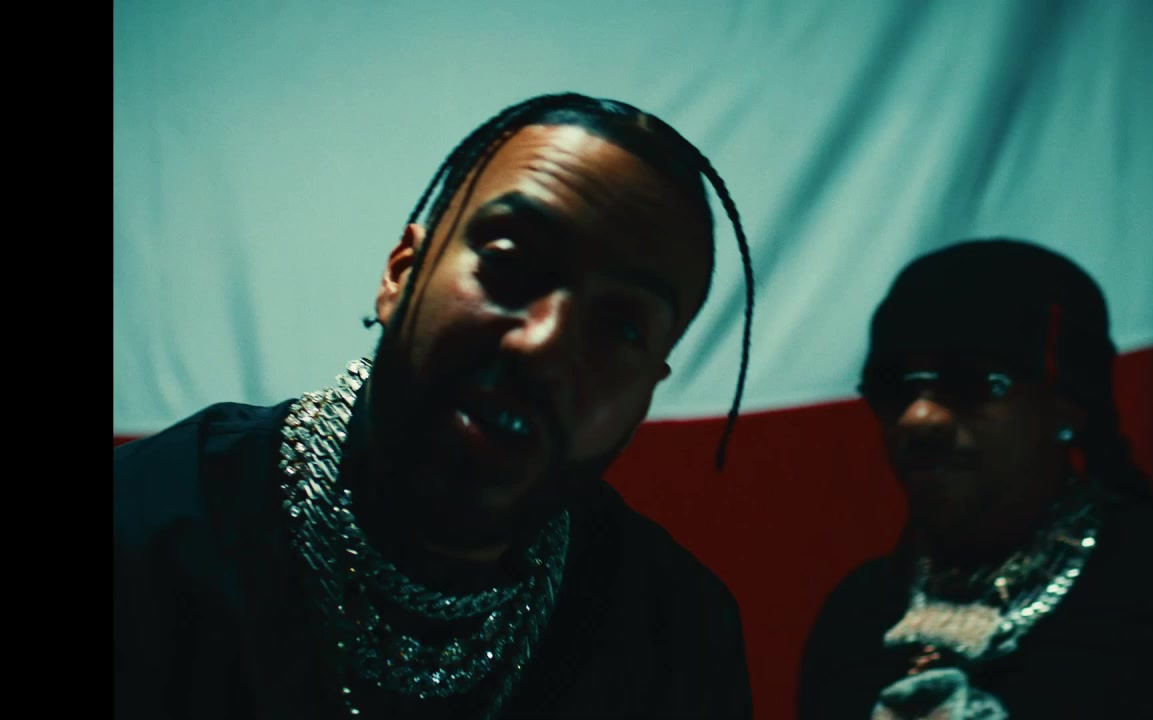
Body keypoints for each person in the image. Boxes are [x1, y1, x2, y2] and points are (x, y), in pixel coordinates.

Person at [114, 93, 757, 720]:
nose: (543, 346)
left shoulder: (679, 638)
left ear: (647, 391)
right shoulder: (145, 535)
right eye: (509, 263)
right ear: (401, 272)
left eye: (623, 329)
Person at [798, 239, 1153, 720]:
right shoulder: (857, 615)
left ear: (1068, 405)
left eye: (972, 383)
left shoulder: (1149, 585)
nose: (918, 417)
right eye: (893, 389)